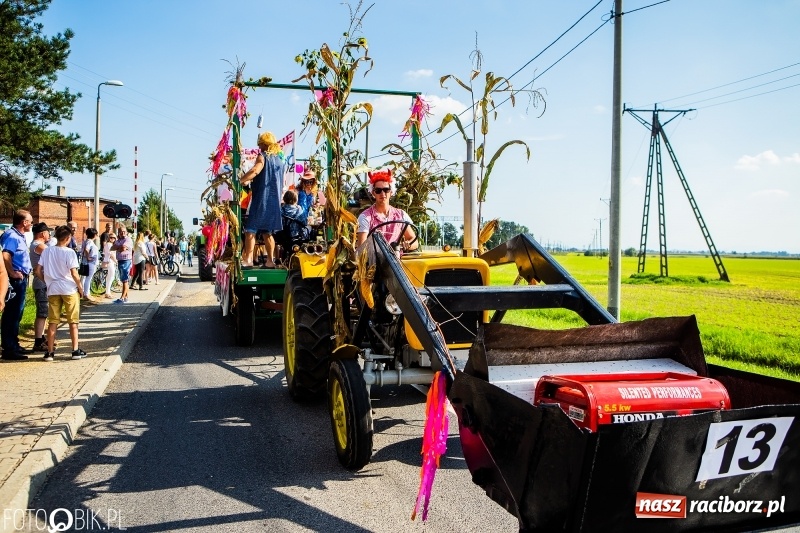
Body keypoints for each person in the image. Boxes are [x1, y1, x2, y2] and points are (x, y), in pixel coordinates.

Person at [34, 225, 86, 361]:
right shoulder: (70, 252)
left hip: (53, 289)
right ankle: (75, 350)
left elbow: (38, 270)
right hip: (69, 289)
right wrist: (80, 287)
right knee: (73, 321)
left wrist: (46, 280)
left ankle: (50, 352)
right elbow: (74, 273)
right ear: (68, 238)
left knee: (53, 321)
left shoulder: (47, 251)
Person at [240, 131, 285, 268]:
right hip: (274, 201)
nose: (260, 148)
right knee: (267, 232)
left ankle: (248, 260)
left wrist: (241, 180)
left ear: (265, 145)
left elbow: (255, 170)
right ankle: (270, 261)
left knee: (250, 230)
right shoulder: (280, 161)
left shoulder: (263, 156)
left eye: (261, 145)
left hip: (262, 199)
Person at [356, 169, 418, 251]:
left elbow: (414, 241)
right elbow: (362, 248)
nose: (382, 194)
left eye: (386, 190)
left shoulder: (401, 215)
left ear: (391, 191)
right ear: (373, 193)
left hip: (396, 261)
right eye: (378, 190)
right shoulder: (365, 217)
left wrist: (408, 245)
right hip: (374, 262)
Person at [1, 210, 34, 360]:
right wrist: (12, 273)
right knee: (12, 314)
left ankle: (14, 343)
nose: (32, 224)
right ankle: (9, 348)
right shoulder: (12, 236)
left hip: (21, 279)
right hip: (14, 280)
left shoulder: (19, 236)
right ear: (24, 222)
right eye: (30, 221)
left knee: (17, 314)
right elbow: (6, 255)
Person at [29, 222, 53, 351]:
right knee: (42, 313)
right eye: (48, 232)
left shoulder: (37, 245)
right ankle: (38, 341)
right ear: (43, 233)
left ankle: (41, 337)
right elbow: (53, 254)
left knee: (44, 312)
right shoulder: (39, 246)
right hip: (41, 282)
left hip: (42, 282)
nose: (49, 235)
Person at [111, 226, 132, 304]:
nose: (123, 233)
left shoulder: (128, 239)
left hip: (126, 261)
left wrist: (118, 248)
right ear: (118, 233)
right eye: (121, 231)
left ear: (126, 232)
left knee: (125, 280)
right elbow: (112, 248)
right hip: (120, 260)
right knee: (124, 279)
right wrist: (119, 248)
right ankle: (126, 298)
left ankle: (122, 298)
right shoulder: (119, 240)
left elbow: (123, 248)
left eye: (124, 231)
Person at [79, 228, 99, 300]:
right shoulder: (90, 242)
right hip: (90, 262)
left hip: (85, 262)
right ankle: (86, 294)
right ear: (94, 235)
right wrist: (88, 257)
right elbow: (86, 249)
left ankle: (84, 292)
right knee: (88, 278)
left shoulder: (85, 241)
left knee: (84, 278)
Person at [102, 232, 118, 299]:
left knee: (110, 277)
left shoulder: (110, 244)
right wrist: (116, 261)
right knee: (111, 276)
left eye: (114, 238)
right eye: (111, 237)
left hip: (110, 261)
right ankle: (107, 292)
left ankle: (108, 292)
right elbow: (111, 254)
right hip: (109, 262)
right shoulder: (109, 244)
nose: (112, 239)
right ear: (109, 238)